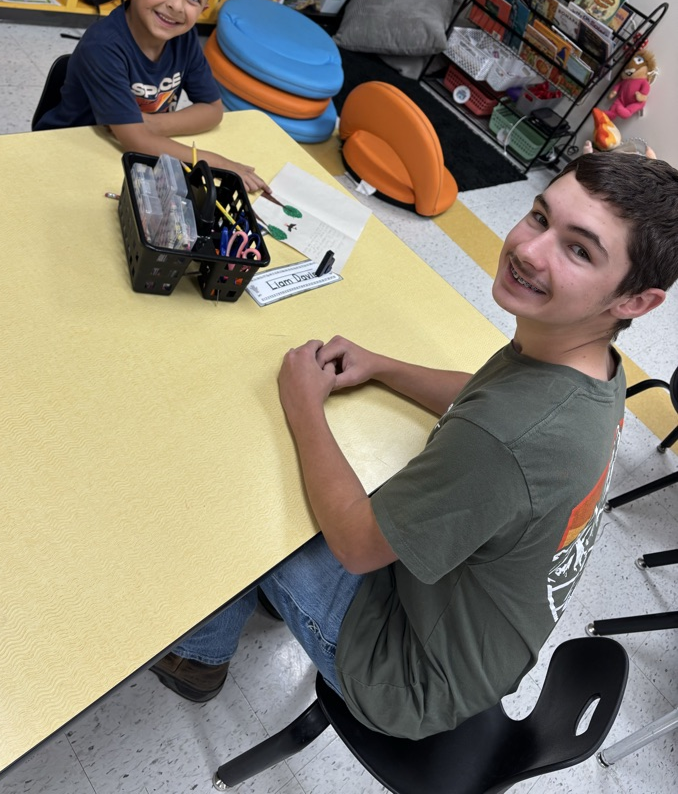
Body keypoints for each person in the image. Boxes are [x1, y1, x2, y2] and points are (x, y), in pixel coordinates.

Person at [151, 152, 678, 739]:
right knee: (338, 469)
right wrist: (381, 366)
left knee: (247, 479)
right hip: (468, 634)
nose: (529, 250)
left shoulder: (510, 435)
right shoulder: (590, 363)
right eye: (538, 216)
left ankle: (197, 657)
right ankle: (280, 600)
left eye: (579, 250)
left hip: (406, 676)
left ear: (635, 301)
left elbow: (355, 544)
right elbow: (481, 396)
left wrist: (304, 406)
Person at [35, 0, 268, 194]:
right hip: (68, 151)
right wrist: (217, 164)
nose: (176, 5)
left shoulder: (184, 38)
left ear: (204, 8)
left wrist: (149, 125)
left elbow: (213, 110)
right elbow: (134, 141)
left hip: (124, 153)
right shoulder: (103, 46)